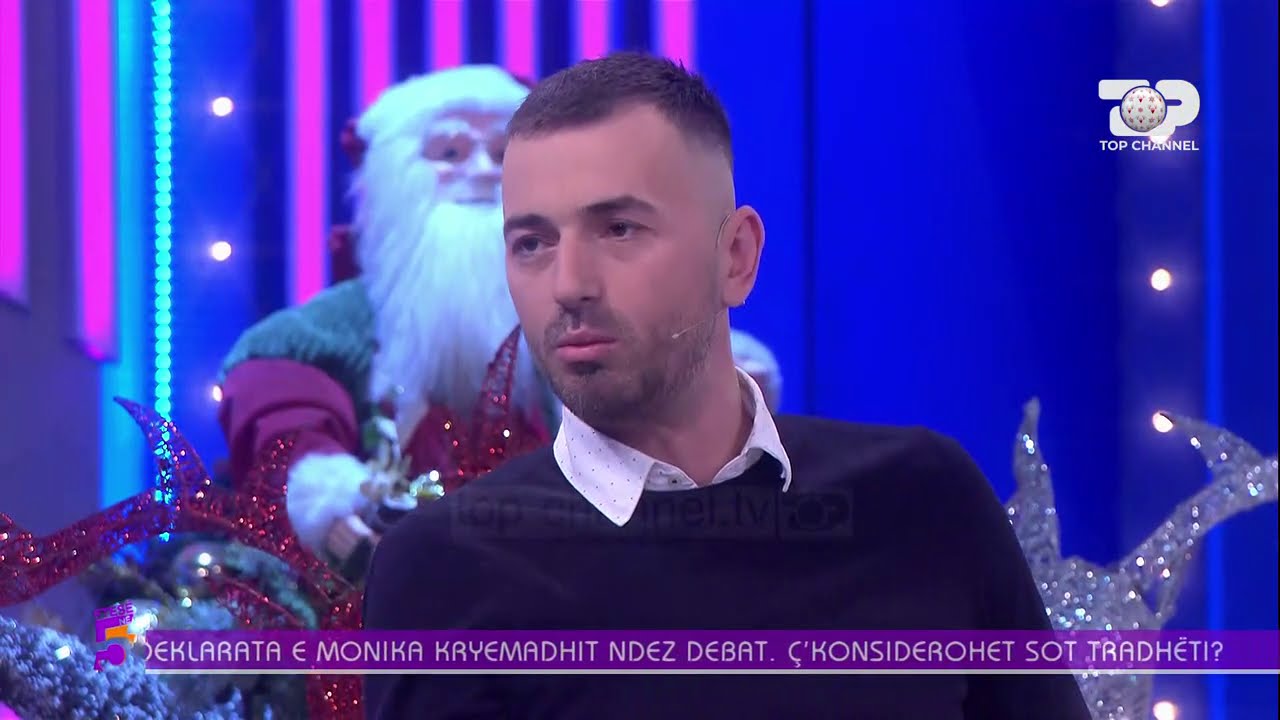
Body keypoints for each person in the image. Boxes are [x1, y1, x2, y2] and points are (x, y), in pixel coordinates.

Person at [363, 52, 1092, 719]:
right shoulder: (444, 568)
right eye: (532, 243)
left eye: (618, 229)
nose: (569, 284)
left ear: (736, 257)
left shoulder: (922, 497)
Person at [216, 65, 557, 575]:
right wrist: (336, 506)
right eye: (451, 153)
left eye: (503, 154)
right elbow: (285, 424)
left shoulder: (570, 321)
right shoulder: (321, 333)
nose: (486, 171)